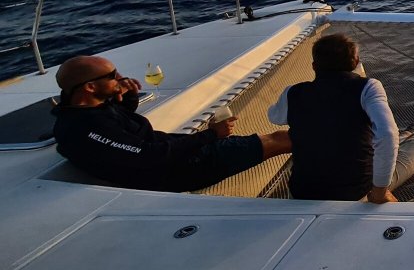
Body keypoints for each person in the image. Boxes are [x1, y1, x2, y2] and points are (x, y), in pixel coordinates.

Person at [51, 55, 291, 192]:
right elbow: (147, 156)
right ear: (90, 87)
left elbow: (121, 127)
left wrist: (130, 96)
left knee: (276, 138)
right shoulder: (83, 129)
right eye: (112, 76)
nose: (120, 79)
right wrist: (212, 135)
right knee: (280, 140)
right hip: (177, 170)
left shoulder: (86, 108)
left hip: (178, 153)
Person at [268, 33, 414, 203]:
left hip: (301, 194)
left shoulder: (293, 93)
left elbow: (274, 116)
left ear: (314, 66)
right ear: (355, 63)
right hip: (356, 195)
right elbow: (387, 134)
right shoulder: (368, 87)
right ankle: (405, 138)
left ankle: (404, 136)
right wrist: (380, 192)